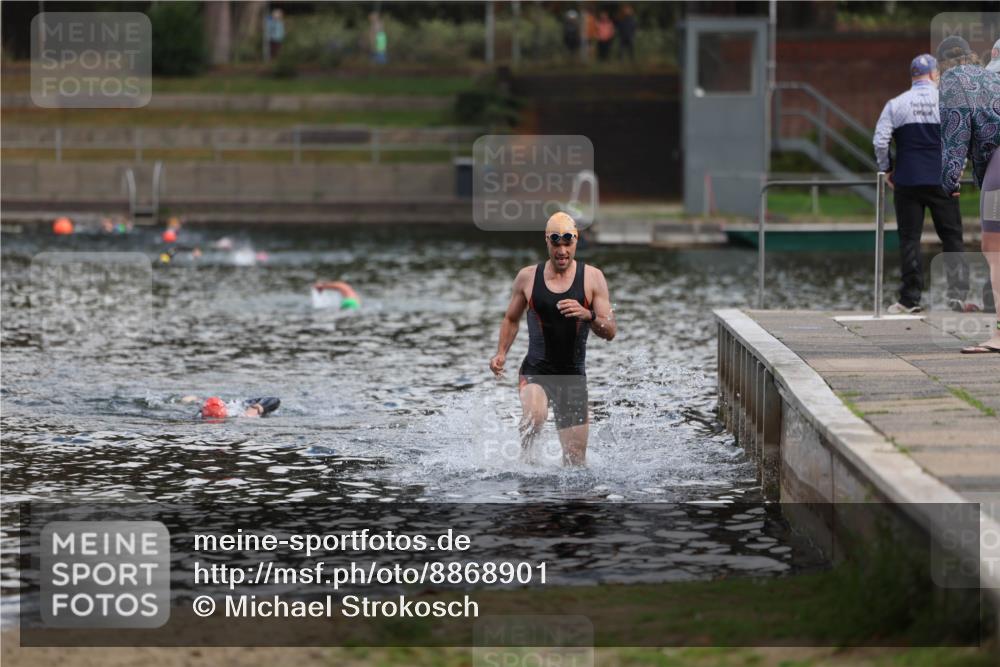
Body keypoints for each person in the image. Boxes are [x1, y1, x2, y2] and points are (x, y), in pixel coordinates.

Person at [489, 212, 616, 467]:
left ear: (576, 241)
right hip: (536, 371)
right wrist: (501, 352)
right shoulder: (528, 277)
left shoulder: (593, 278)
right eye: (555, 243)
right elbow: (511, 319)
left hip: (573, 377)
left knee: (575, 464)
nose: (561, 250)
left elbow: (610, 330)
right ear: (547, 241)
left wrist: (588, 314)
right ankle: (525, 463)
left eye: (567, 243)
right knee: (536, 415)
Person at [873, 53, 972, 314]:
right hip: (943, 181)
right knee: (952, 238)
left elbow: (880, 141)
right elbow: (962, 139)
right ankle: (958, 297)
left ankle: (910, 299)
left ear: (913, 75)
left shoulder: (896, 104)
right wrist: (958, 169)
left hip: (907, 182)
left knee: (910, 239)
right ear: (934, 75)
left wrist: (888, 169)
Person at [939, 36, 1000, 353]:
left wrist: (949, 181)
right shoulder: (987, 76)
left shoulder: (954, 80)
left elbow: (956, 137)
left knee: (996, 249)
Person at [189, 396, 281, 419]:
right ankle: (194, 398)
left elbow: (275, 400)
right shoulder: (198, 416)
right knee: (190, 399)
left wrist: (255, 408)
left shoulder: (237, 408)